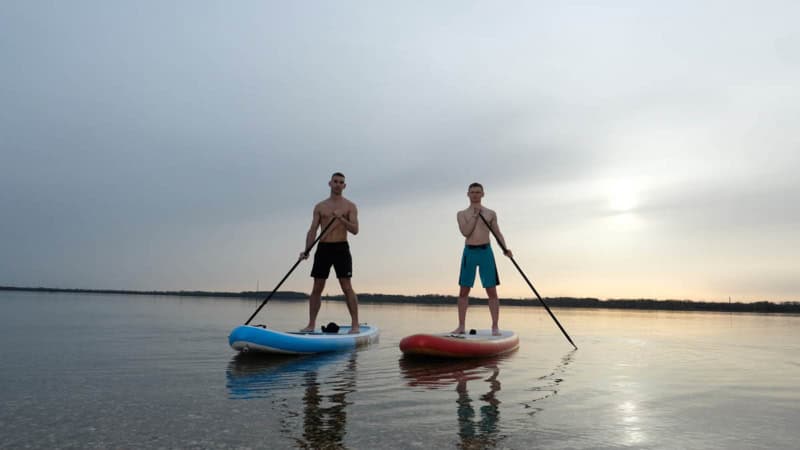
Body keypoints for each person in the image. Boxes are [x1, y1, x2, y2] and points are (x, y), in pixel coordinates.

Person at [299, 172, 360, 333]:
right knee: (317, 287)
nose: (338, 184)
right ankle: (311, 324)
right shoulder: (320, 207)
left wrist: (341, 219)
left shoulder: (350, 206)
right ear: (330, 183)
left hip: (341, 247)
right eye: (335, 181)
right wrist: (307, 250)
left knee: (346, 286)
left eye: (341, 182)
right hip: (323, 248)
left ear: (344, 186)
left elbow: (355, 230)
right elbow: (313, 229)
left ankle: (355, 325)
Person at [453, 182, 512, 336]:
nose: (475, 194)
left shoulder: (490, 213)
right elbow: (465, 232)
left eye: (478, 192)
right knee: (463, 290)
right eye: (472, 192)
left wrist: (505, 249)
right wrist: (474, 215)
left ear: (483, 194)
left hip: (486, 252)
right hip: (469, 252)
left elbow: (497, 233)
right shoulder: (461, 214)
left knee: (491, 290)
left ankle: (495, 327)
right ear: (468, 194)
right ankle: (461, 326)